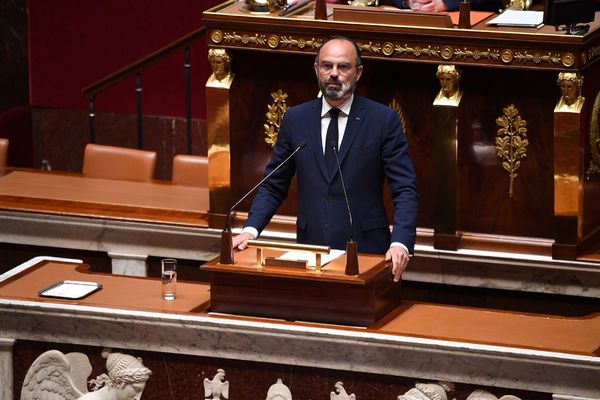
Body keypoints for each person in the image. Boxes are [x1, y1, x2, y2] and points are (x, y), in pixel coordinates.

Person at [232, 36, 419, 282]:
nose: (334, 74)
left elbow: (405, 189)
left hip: (368, 252)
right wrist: (251, 229)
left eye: (343, 67)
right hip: (312, 251)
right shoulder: (295, 119)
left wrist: (401, 243)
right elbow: (273, 184)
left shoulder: (382, 120)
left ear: (358, 73)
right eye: (327, 66)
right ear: (316, 69)